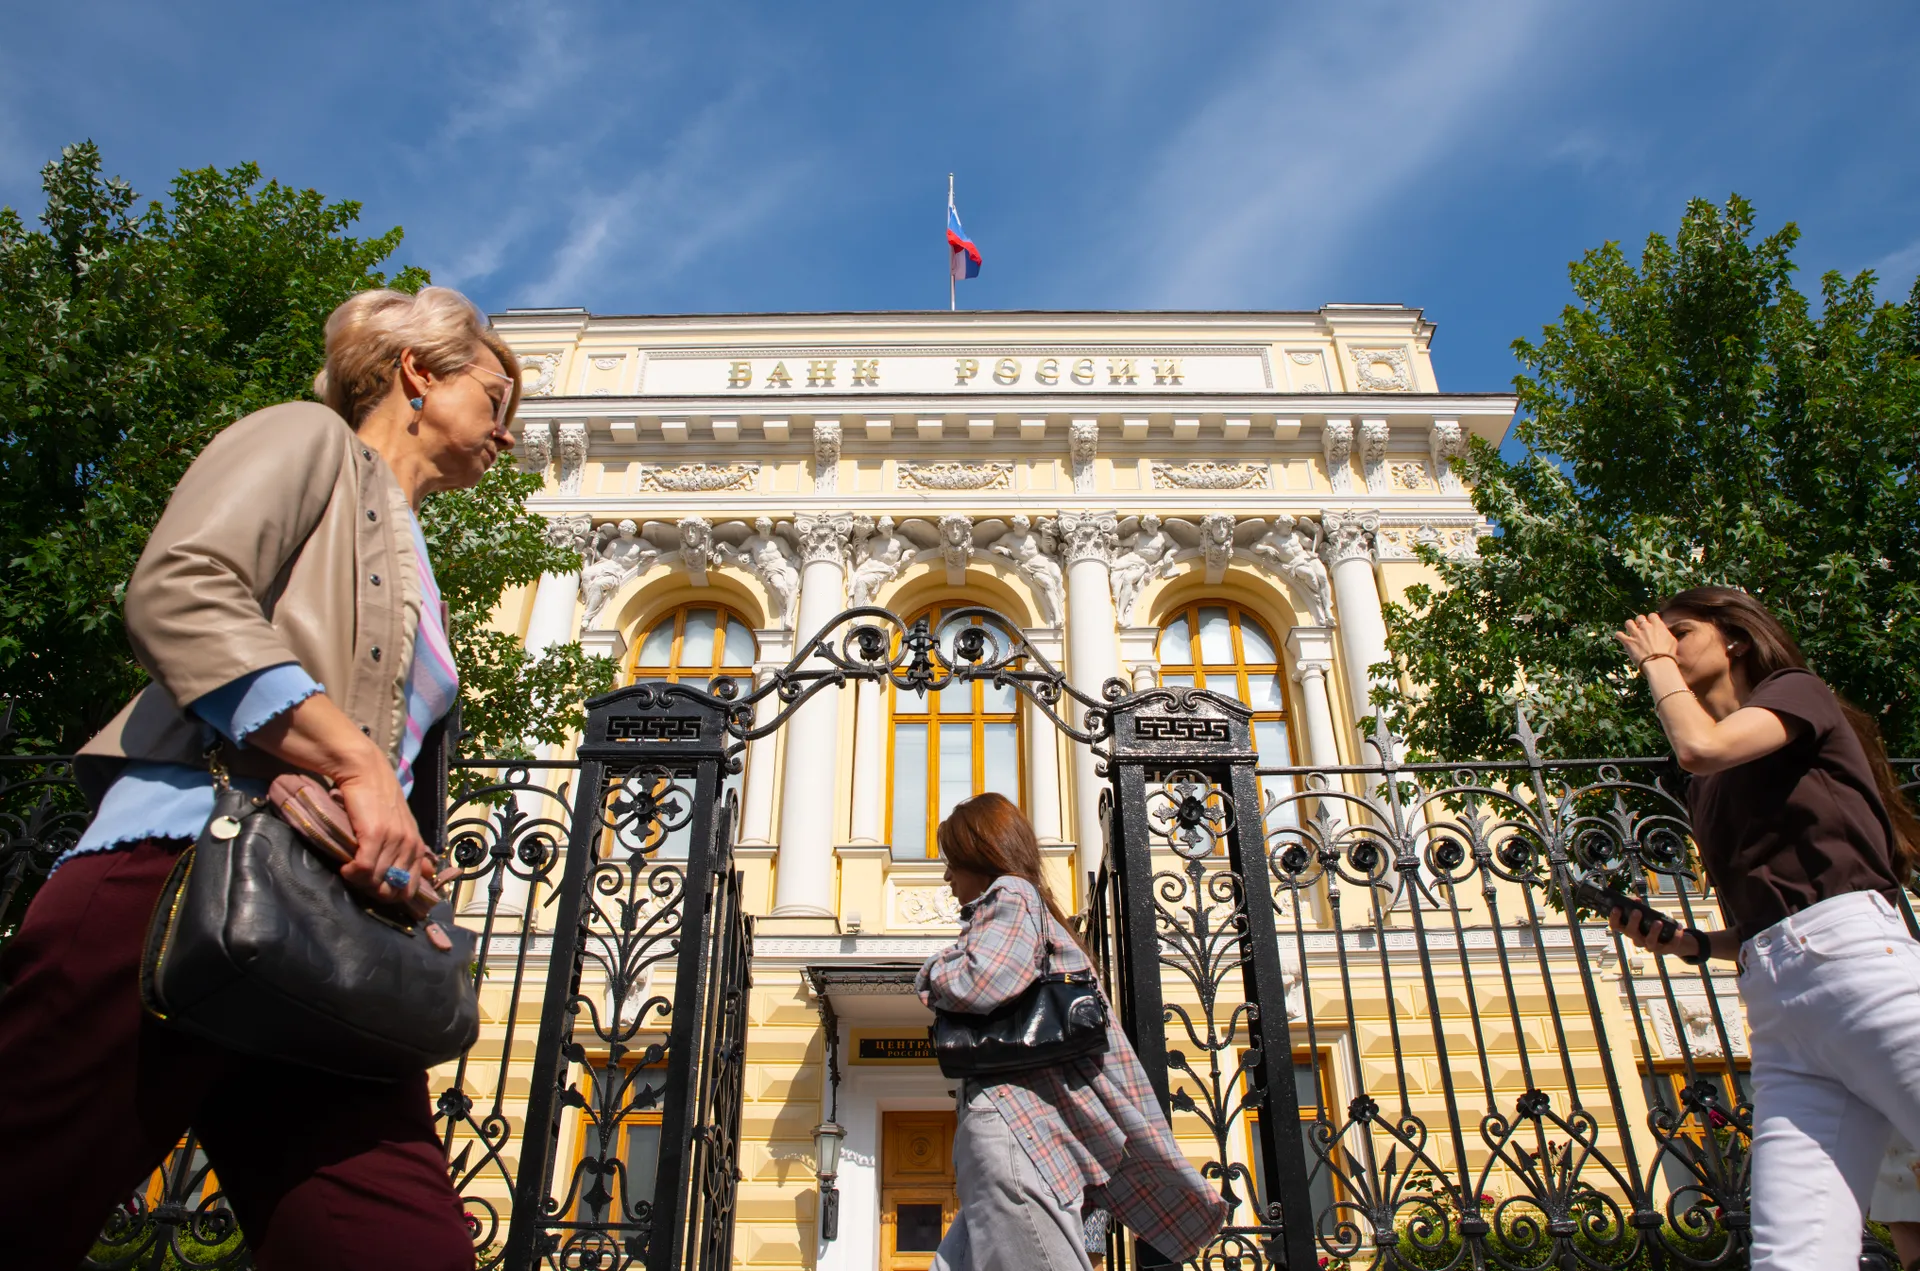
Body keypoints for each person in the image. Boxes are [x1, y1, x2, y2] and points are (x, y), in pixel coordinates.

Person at [0, 286, 519, 1271]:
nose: (507, 431)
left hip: (324, 946)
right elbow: (182, 587)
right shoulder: (307, 443)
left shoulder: (417, 556)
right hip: (175, 883)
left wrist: (406, 874)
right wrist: (351, 757)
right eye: (496, 397)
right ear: (419, 371)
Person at [1610, 586, 1920, 1270]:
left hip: (1862, 965)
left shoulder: (1794, 693)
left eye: (1680, 632)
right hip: (1778, 1008)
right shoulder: (1708, 790)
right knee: (1792, 1254)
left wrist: (1655, 663)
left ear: (1736, 641)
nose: (1663, 646)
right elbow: (1762, 916)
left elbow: (1699, 743)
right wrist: (1691, 944)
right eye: (1660, 639)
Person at [917, 793, 1227, 1271]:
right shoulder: (1033, 908)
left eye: (951, 863)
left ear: (980, 856)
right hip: (1019, 1130)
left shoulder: (1011, 895)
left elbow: (981, 981)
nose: (946, 878)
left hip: (1014, 1131)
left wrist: (930, 972)